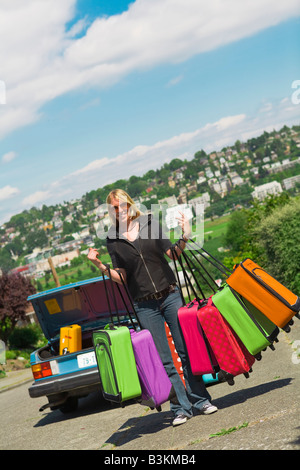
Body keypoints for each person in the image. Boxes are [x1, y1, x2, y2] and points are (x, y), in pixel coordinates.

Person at [88, 189, 218, 426]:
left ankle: (200, 400)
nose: (120, 210)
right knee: (164, 359)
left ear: (130, 203)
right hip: (144, 305)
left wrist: (186, 234)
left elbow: (172, 254)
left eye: (123, 204)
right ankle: (180, 407)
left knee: (185, 350)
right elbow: (122, 277)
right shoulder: (112, 240)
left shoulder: (150, 223)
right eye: (115, 208)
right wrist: (101, 266)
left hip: (169, 295)